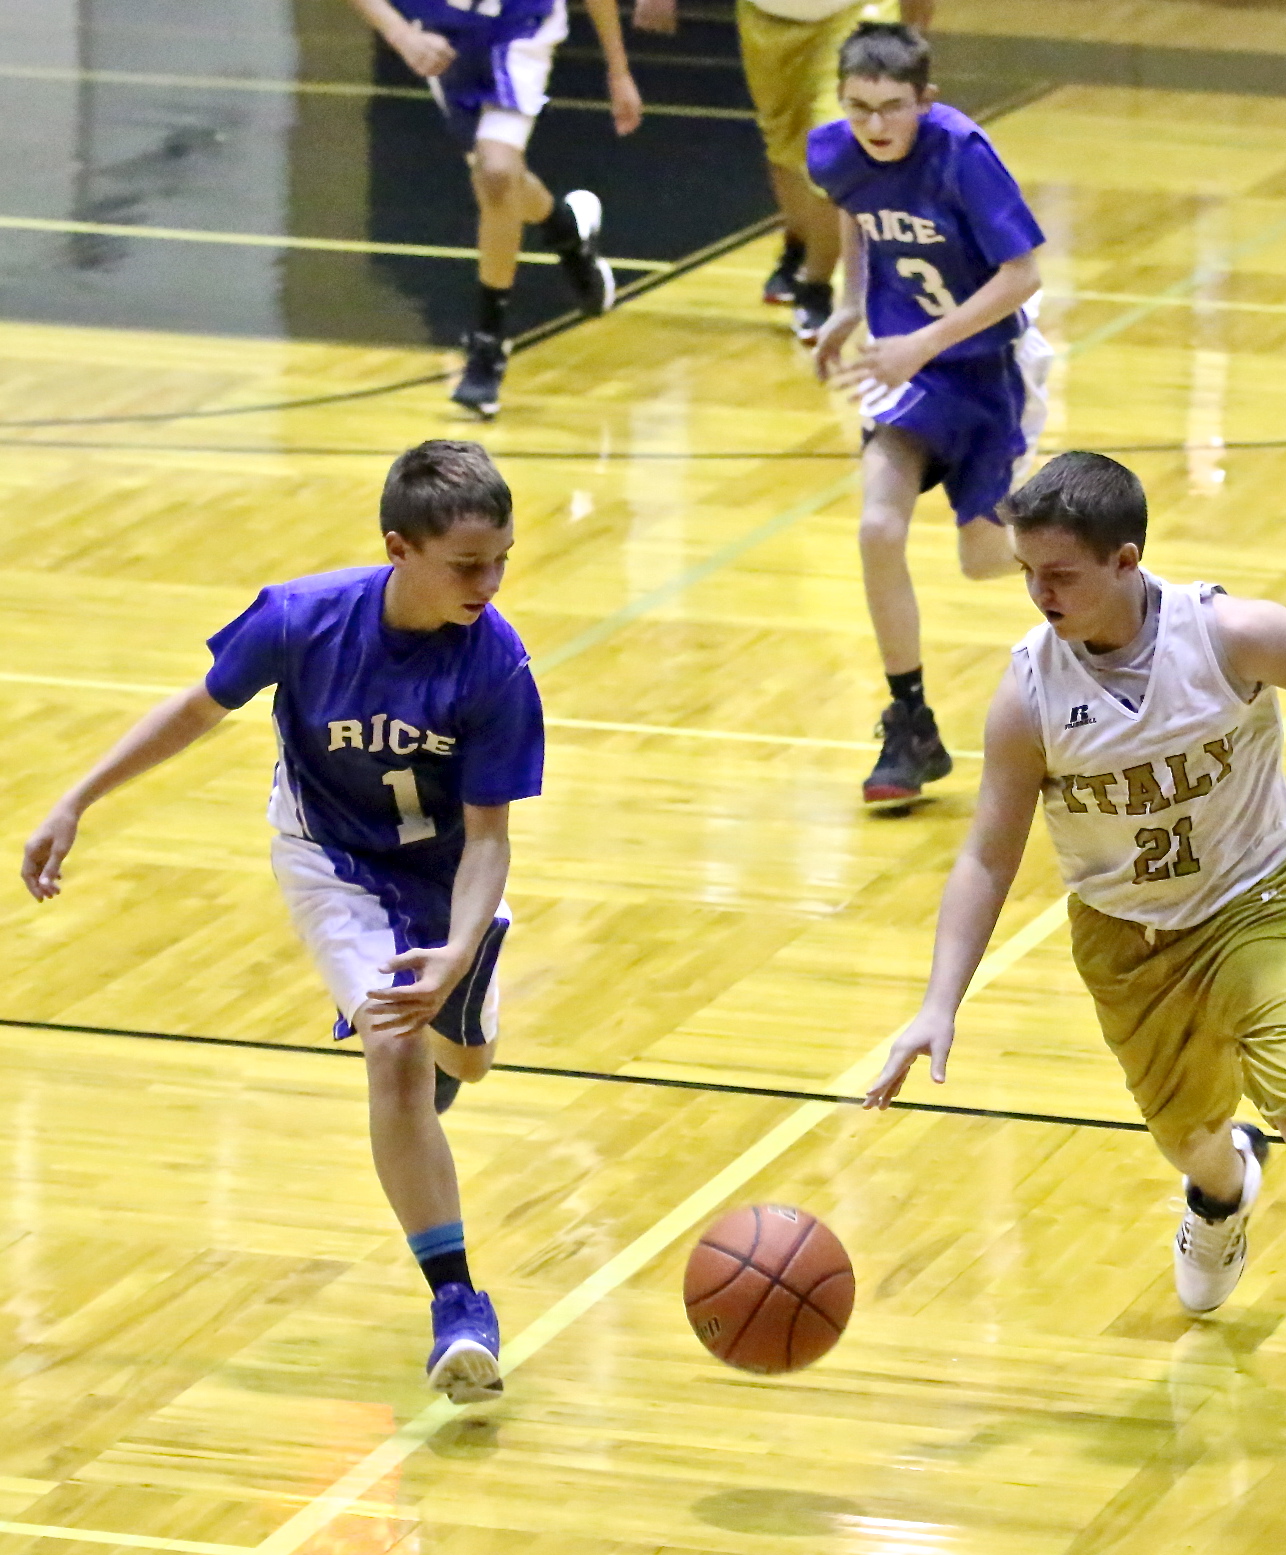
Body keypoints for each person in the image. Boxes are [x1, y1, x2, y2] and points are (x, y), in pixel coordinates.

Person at [863, 453, 1286, 1418]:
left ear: (1126, 560)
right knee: (1189, 1141)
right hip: (1127, 941)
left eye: (1058, 574)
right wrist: (939, 1003)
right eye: (1026, 572)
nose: (1038, 593)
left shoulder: (1230, 634)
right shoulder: (1029, 695)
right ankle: (1222, 1191)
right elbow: (987, 856)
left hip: (1256, 901)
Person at [20, 442, 545, 1405]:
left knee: (463, 1062)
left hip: (444, 873)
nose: (491, 584)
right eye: (469, 565)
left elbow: (489, 839)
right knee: (394, 1047)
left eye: (502, 560)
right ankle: (459, 1303)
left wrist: (461, 948)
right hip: (332, 860)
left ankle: (442, 1051)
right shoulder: (302, 620)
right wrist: (76, 799)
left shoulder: (497, 663)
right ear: (399, 548)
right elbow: (197, 709)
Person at [808, 20, 1052, 808]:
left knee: (983, 560)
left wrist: (925, 343)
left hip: (987, 368)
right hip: (905, 369)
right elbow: (855, 212)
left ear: (925, 100)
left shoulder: (962, 154)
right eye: (858, 107)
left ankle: (1095, 564)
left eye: (891, 107)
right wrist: (851, 304)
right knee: (878, 527)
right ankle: (910, 724)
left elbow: (1022, 275)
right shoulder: (836, 151)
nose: (874, 124)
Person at [343, 0, 645, 418]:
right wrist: (400, 34)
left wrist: (618, 70)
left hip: (521, 24)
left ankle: (487, 345)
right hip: (445, 30)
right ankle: (566, 229)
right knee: (496, 180)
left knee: (497, 171)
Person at [633, 0, 934, 340]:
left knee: (841, 147)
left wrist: (914, 36)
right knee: (784, 143)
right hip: (765, 18)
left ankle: (816, 284)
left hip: (854, 15)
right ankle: (798, 243)